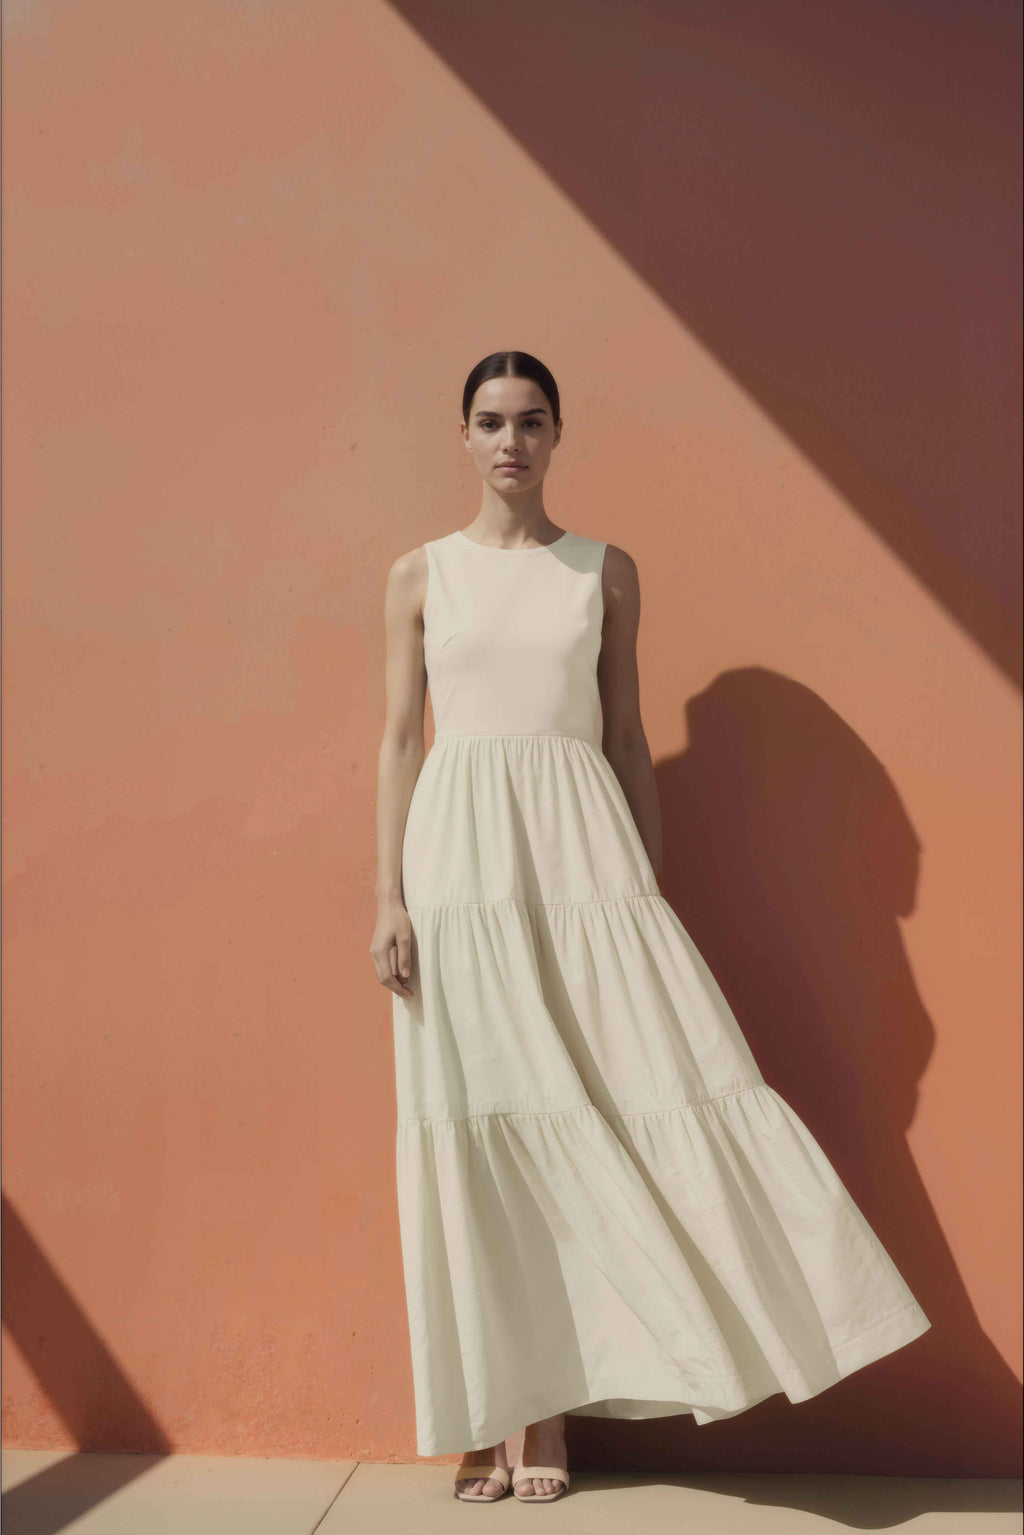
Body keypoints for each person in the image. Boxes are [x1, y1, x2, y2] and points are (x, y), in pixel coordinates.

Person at [371, 351, 930, 1505]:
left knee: (607, 1108)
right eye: (489, 422)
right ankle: (492, 1409)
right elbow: (396, 741)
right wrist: (387, 894)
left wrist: (645, 891)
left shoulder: (603, 572)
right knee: (479, 1117)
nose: (510, 442)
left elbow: (625, 739)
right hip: (459, 867)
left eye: (530, 421)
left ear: (559, 433)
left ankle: (553, 1415)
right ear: (462, 437)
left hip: (584, 864)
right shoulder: (418, 575)